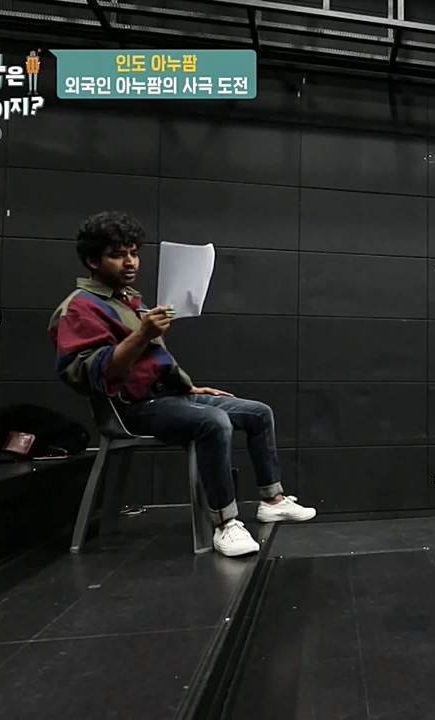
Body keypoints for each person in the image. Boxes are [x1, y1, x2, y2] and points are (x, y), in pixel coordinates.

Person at [48, 210, 316, 558]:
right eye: (117, 255)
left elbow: (155, 361)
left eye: (134, 253)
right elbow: (89, 374)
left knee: (257, 413)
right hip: (130, 410)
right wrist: (142, 334)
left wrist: (189, 389)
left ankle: (273, 501)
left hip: (166, 398)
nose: (130, 262)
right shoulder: (80, 308)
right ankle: (225, 522)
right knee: (213, 422)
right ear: (92, 261)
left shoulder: (131, 302)